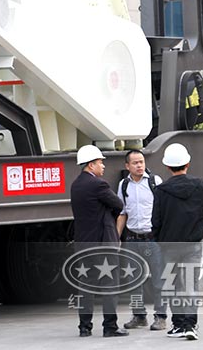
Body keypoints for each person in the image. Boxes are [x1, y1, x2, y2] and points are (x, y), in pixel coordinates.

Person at [152, 143, 203, 341]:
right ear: (188, 163)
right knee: (191, 285)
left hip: (169, 246)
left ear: (167, 166)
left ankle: (178, 325)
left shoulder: (161, 190)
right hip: (192, 244)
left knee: (173, 285)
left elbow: (155, 220)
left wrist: (159, 239)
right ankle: (190, 325)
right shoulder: (199, 185)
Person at [70, 144, 129, 338]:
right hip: (103, 243)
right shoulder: (99, 185)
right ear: (90, 165)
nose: (103, 167)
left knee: (85, 285)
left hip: (83, 243)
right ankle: (110, 327)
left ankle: (84, 327)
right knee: (109, 284)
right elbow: (119, 205)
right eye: (100, 163)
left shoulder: (76, 185)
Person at [115, 149, 167, 331]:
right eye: (135, 163)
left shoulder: (154, 182)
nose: (139, 165)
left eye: (142, 162)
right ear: (127, 166)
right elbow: (122, 213)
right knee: (133, 279)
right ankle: (139, 315)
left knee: (158, 280)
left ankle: (160, 316)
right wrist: (116, 237)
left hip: (152, 239)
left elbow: (163, 210)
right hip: (132, 238)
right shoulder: (124, 185)